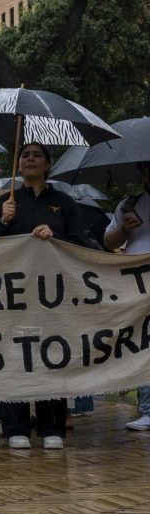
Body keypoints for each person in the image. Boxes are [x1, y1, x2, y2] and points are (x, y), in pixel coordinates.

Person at [0, 142, 88, 450]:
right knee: (15, 357)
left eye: (36, 155)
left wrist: (53, 238)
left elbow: (79, 242)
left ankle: (51, 426)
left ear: (48, 165)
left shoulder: (64, 202)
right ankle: (15, 425)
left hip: (52, 297)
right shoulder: (5, 202)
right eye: (24, 155)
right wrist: (3, 222)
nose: (29, 159)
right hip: (14, 297)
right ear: (18, 165)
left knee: (51, 355)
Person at [105, 163, 150, 431]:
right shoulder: (129, 204)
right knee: (146, 345)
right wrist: (124, 230)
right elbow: (108, 242)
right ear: (142, 173)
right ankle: (147, 409)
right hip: (138, 285)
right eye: (147, 169)